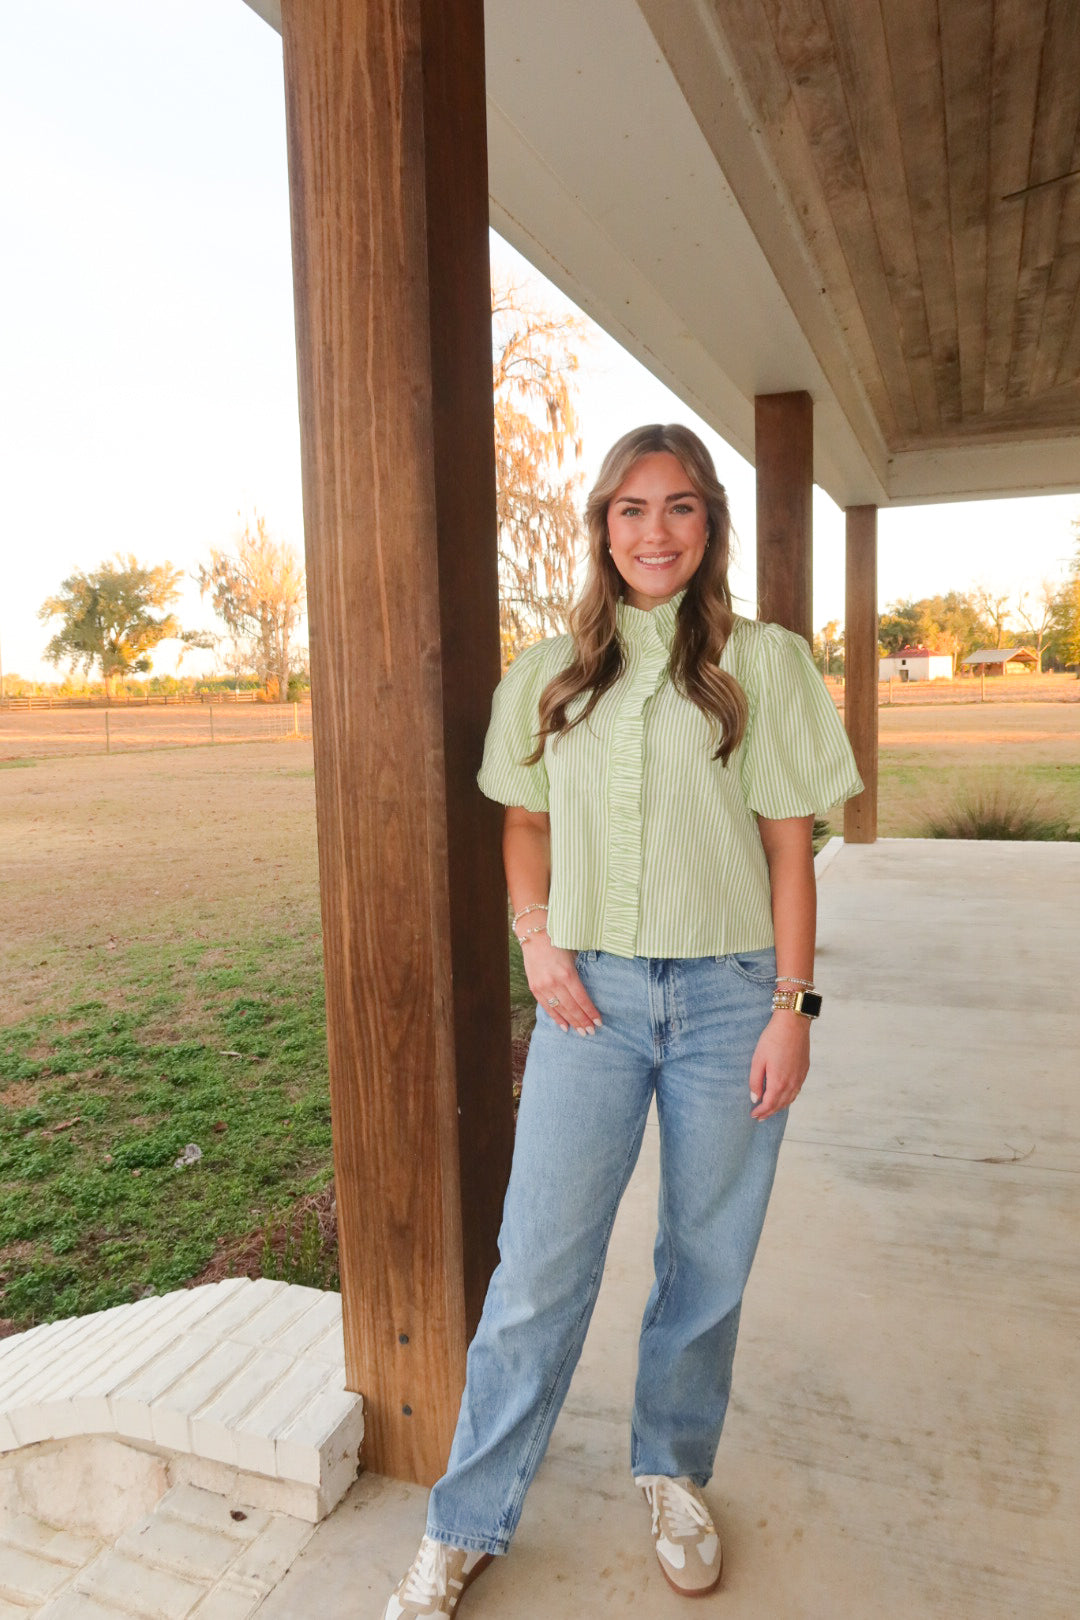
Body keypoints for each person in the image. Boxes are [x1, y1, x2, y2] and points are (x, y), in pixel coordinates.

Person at [382, 424, 862, 1618]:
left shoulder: (768, 663)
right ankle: (463, 1523)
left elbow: (789, 855)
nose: (657, 532)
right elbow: (523, 820)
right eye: (633, 509)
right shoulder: (549, 670)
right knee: (538, 1270)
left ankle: (672, 1470)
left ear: (712, 528)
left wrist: (793, 1009)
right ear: (601, 527)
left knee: (705, 1267)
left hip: (727, 1000)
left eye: (682, 507)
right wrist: (536, 941)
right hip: (587, 1000)